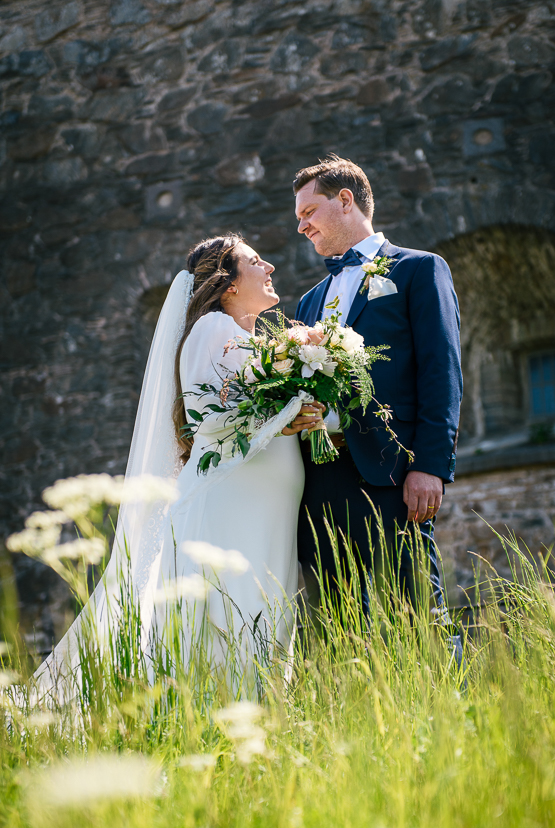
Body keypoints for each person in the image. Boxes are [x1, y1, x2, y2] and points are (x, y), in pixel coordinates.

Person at [34, 234, 321, 697]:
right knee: (235, 623)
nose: (269, 266)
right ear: (227, 284)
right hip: (229, 508)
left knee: (267, 622)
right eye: (254, 260)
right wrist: (288, 417)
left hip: (264, 509)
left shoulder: (250, 341)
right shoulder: (213, 329)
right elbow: (209, 421)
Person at [293, 155, 463, 658]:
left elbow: (441, 370)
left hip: (393, 477)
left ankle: (447, 719)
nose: (301, 226)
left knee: (416, 617)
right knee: (335, 629)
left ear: (345, 200)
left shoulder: (419, 270)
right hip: (321, 483)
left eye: (309, 211)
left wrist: (430, 466)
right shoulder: (308, 303)